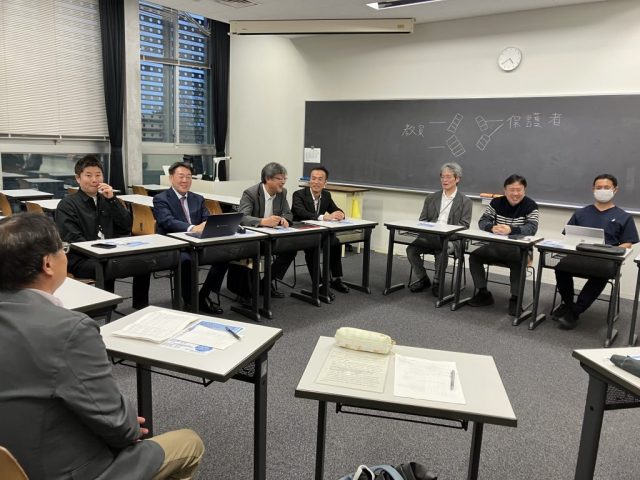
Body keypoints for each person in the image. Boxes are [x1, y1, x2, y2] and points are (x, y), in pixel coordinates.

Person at [0, 213, 204, 480]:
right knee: (189, 442)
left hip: (11, 462)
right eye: (63, 249)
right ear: (48, 264)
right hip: (64, 470)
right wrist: (128, 424)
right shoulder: (69, 330)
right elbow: (119, 426)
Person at [55, 155, 150, 309]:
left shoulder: (107, 200)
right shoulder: (67, 204)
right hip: (81, 258)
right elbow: (72, 238)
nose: (94, 180)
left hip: (110, 253)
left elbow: (126, 226)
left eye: (98, 175)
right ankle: (105, 309)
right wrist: (102, 251)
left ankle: (140, 306)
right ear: (78, 178)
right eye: (88, 175)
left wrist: (112, 200)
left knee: (144, 263)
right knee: (106, 266)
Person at [554, 173, 639, 329]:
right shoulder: (581, 213)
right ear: (593, 189)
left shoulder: (624, 217)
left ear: (615, 190)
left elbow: (627, 244)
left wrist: (611, 251)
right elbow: (569, 236)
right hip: (580, 255)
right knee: (561, 267)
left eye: (606, 187)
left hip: (605, 260)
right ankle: (568, 303)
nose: (602, 190)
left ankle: (575, 311)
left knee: (601, 272)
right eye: (599, 187)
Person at [153, 161, 227, 314]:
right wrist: (192, 228)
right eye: (181, 176)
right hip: (175, 246)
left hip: (198, 243)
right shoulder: (161, 199)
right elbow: (167, 221)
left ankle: (203, 296)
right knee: (186, 261)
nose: (185, 180)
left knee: (224, 256)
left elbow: (206, 218)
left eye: (188, 177)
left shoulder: (198, 198)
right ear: (171, 178)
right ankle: (189, 300)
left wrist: (210, 224)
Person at [468, 174, 539, 315]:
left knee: (518, 260)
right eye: (511, 190)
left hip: (520, 249)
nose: (515, 193)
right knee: (474, 257)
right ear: (505, 190)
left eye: (519, 190)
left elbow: (532, 228)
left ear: (524, 190)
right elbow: (483, 221)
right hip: (496, 246)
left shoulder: (531, 205)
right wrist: (492, 228)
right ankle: (483, 293)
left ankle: (515, 299)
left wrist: (511, 230)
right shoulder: (496, 203)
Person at [406, 162, 472, 297]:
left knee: (442, 249)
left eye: (448, 177)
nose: (444, 180)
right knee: (411, 250)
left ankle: (437, 282)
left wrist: (446, 234)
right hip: (431, 236)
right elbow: (422, 220)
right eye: (442, 176)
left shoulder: (465, 201)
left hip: (451, 239)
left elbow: (464, 226)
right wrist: (430, 232)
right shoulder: (431, 198)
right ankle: (423, 279)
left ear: (457, 179)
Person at [238, 162, 295, 298]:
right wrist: (263, 221)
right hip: (252, 239)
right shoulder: (251, 193)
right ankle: (247, 291)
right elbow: (242, 217)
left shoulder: (282, 193)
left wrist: (284, 219)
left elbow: (288, 213)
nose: (283, 182)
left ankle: (265, 283)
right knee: (251, 254)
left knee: (291, 249)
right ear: (268, 179)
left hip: (271, 237)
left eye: (284, 178)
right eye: (279, 178)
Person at [292, 166, 349, 295]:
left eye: (320, 179)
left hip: (318, 232)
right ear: (309, 180)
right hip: (301, 232)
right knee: (313, 246)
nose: (316, 182)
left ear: (325, 183)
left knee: (335, 242)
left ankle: (336, 279)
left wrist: (340, 213)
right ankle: (319, 284)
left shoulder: (326, 195)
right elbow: (301, 213)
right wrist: (323, 217)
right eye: (313, 178)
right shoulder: (299, 194)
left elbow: (335, 209)